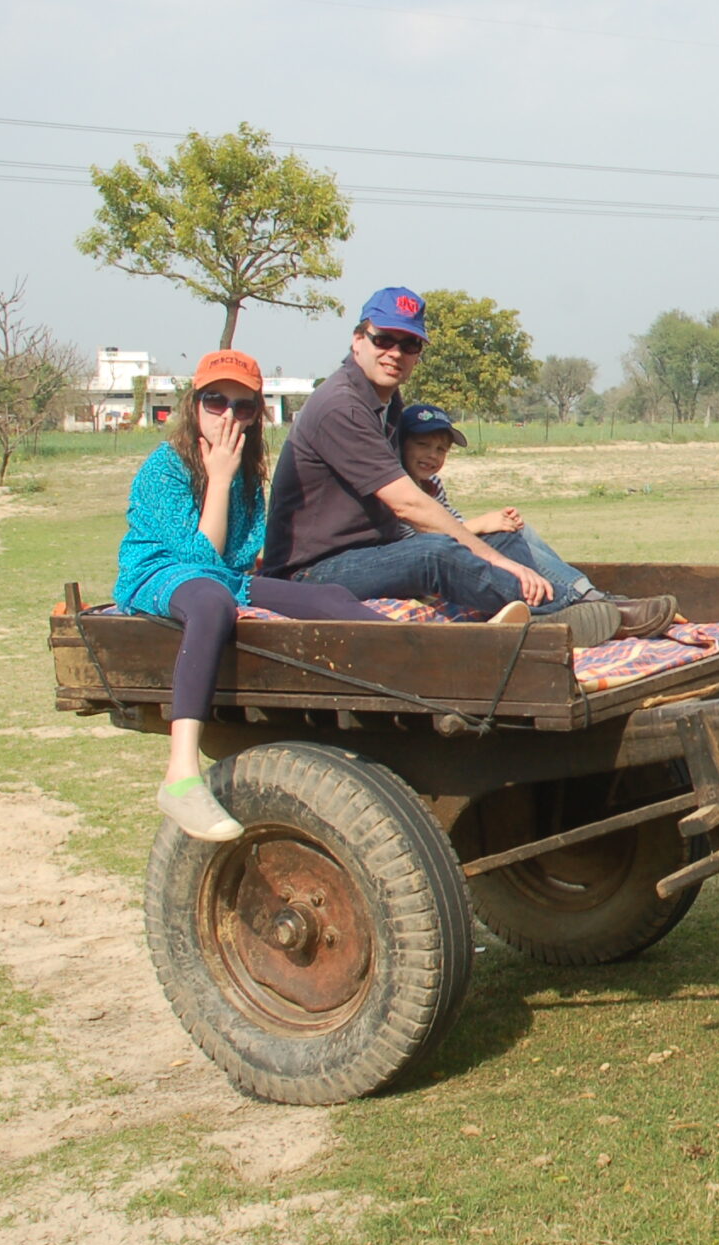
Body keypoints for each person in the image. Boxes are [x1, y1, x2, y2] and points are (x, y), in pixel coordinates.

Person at [260, 287, 667, 646]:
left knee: (504, 537)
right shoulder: (340, 406)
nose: (395, 353)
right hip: (314, 570)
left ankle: (594, 603)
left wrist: (495, 551)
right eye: (384, 339)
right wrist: (500, 564)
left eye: (409, 344)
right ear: (358, 341)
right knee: (435, 552)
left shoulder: (385, 401)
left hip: (372, 551)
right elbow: (408, 506)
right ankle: (561, 613)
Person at [115, 349, 385, 844]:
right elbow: (198, 558)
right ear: (194, 405)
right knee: (211, 602)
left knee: (331, 598)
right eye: (215, 401)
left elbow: (237, 556)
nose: (228, 416)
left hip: (221, 575)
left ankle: (427, 650)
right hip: (160, 574)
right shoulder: (165, 467)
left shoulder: (245, 468)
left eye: (243, 407)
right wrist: (217, 479)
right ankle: (180, 774)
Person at [392, 403, 670, 625]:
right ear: (401, 445)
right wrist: (481, 524)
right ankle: (571, 600)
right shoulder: (396, 485)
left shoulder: (432, 485)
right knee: (499, 533)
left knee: (516, 530)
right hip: (424, 565)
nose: (432, 455)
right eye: (422, 445)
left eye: (441, 449)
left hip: (445, 552)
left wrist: (491, 523)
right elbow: (415, 537)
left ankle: (584, 592)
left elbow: (452, 521)